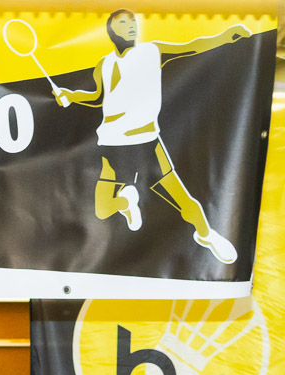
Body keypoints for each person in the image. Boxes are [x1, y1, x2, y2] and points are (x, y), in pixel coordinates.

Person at [52, 9, 250, 264]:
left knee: (181, 198)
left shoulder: (152, 51)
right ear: (111, 31)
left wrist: (224, 36)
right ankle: (126, 203)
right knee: (102, 209)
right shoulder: (105, 64)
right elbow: (97, 96)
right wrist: (70, 95)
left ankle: (206, 235)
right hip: (112, 143)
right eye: (123, 22)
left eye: (132, 21)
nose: (131, 25)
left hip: (145, 141)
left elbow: (191, 46)